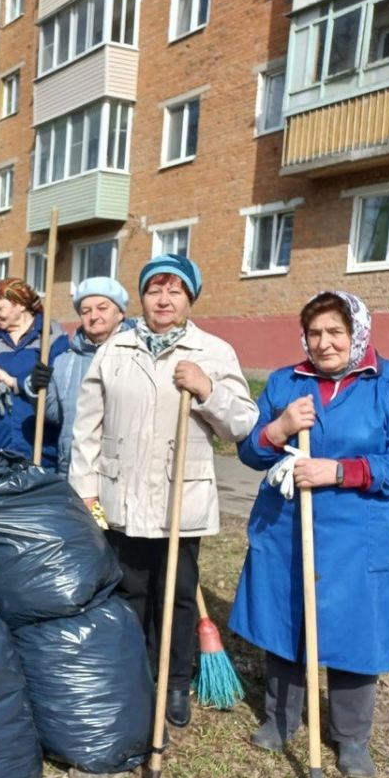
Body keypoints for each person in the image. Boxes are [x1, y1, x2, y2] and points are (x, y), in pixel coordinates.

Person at [230, 291, 389, 778]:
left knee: (354, 628)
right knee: (286, 619)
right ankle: (281, 719)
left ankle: (351, 737)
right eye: (315, 333)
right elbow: (251, 453)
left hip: (358, 529)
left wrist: (338, 472)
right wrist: (278, 427)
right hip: (286, 525)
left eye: (335, 332)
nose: (324, 343)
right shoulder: (286, 382)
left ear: (357, 332)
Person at [70, 254, 257, 729]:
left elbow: (242, 424)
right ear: (142, 298)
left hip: (181, 500)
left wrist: (207, 388)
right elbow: (86, 429)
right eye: (155, 289)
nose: (164, 298)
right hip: (119, 497)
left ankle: (174, 682)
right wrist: (85, 494)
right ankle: (135, 678)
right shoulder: (116, 348)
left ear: (189, 298)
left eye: (175, 290)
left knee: (175, 596)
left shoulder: (213, 351)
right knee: (129, 592)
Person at [0, 278, 69, 469]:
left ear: (18, 305)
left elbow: (59, 387)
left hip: (40, 451)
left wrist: (15, 383)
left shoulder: (52, 337)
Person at [42, 276, 129, 478]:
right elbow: (54, 415)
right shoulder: (65, 361)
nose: (93, 316)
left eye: (102, 308)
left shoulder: (138, 356)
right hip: (75, 470)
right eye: (86, 311)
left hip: (122, 475)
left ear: (121, 313)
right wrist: (39, 388)